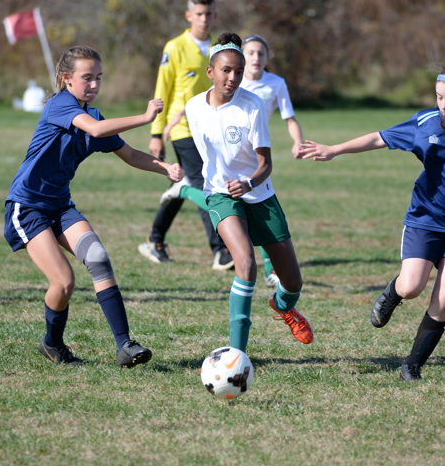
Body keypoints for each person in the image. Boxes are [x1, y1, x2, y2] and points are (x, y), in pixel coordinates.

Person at [4, 45, 183, 367]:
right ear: (67, 79)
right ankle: (52, 343)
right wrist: (145, 118)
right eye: (87, 77)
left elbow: (130, 154)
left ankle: (125, 345)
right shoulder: (60, 105)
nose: (94, 84)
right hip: (27, 206)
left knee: (98, 258)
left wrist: (164, 168)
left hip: (60, 207)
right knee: (64, 281)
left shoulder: (94, 117)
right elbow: (96, 129)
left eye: (99, 77)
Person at [300, 69, 445, 381]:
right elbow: (380, 137)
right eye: (439, 97)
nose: (443, 104)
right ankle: (393, 292)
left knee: (444, 300)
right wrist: (334, 150)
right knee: (411, 287)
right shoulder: (426, 124)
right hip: (426, 219)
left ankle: (412, 365)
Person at [185, 32, 313, 353]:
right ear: (210, 72)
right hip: (220, 194)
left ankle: (282, 307)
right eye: (226, 70)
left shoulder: (252, 105)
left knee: (292, 282)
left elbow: (265, 164)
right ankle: (237, 355)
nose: (233, 77)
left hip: (259, 193)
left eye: (238, 71)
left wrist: (248, 183)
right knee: (246, 264)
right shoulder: (194, 107)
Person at [160, 34, 305, 287]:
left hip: (255, 173)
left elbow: (288, 120)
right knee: (244, 258)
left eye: (261, 53)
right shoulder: (206, 98)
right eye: (251, 53)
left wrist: (297, 140)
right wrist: (168, 123)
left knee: (290, 277)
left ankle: (278, 286)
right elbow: (197, 105)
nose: (234, 76)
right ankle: (266, 271)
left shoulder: (271, 86)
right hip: (223, 183)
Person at [137, 0, 233, 270]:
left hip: (212, 127)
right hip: (182, 128)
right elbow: (162, 89)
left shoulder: (218, 49)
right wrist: (156, 133)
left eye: (209, 14)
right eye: (199, 14)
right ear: (188, 15)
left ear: (215, 15)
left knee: (183, 184)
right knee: (205, 182)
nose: (204, 19)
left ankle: (155, 240)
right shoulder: (175, 47)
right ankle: (221, 249)